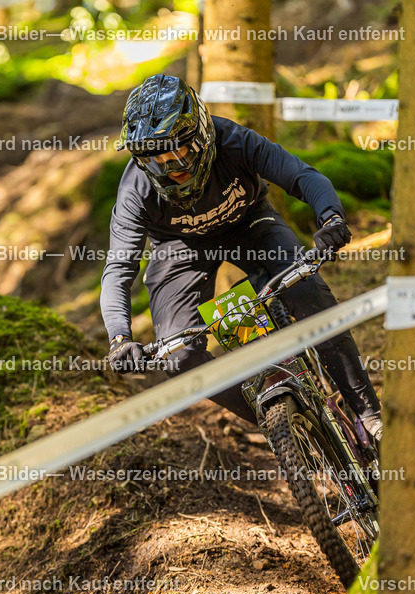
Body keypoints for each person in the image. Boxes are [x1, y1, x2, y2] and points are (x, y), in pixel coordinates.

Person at [100, 74, 383, 440]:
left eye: (179, 152)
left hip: (249, 222)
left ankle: (368, 415)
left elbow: (301, 176)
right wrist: (120, 337)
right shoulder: (135, 191)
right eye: (155, 160)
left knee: (310, 296)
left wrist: (330, 217)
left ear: (202, 135)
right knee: (179, 359)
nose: (172, 168)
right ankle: (284, 426)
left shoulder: (233, 140)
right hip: (179, 249)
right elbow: (118, 269)